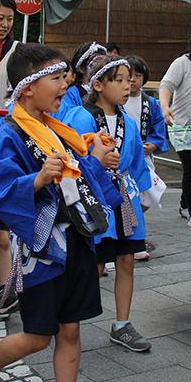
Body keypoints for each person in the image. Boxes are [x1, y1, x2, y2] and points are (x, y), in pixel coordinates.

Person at [0, 44, 121, 382]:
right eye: (56, 78)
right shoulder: (10, 134)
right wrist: (36, 180)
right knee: (38, 335)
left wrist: (97, 159)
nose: (65, 84)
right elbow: (0, 189)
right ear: (28, 87)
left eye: (64, 76)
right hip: (44, 250)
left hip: (78, 243)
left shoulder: (58, 131)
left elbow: (79, 186)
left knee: (71, 330)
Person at [65, 55, 152, 352]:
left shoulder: (128, 121)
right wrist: (96, 161)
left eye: (129, 79)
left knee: (126, 260)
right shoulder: (81, 116)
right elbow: (71, 154)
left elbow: (138, 161)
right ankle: (68, 319)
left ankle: (122, 323)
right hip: (96, 196)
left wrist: (146, 193)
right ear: (98, 84)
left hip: (124, 196)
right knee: (93, 262)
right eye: (119, 80)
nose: (128, 85)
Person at [159, 17, 191, 229]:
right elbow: (166, 85)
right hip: (183, 124)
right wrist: (165, 107)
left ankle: (184, 205)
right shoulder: (183, 62)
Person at [124, 55, 169, 259]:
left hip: (143, 157)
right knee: (126, 195)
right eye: (128, 75)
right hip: (122, 157)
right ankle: (132, 238)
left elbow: (158, 127)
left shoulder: (150, 103)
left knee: (149, 192)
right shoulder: (116, 100)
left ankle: (131, 227)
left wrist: (154, 143)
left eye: (138, 75)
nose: (132, 80)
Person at [53, 42, 106, 122]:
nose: (99, 69)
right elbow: (69, 120)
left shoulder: (108, 90)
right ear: (81, 68)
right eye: (93, 64)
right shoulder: (72, 94)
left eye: (103, 65)